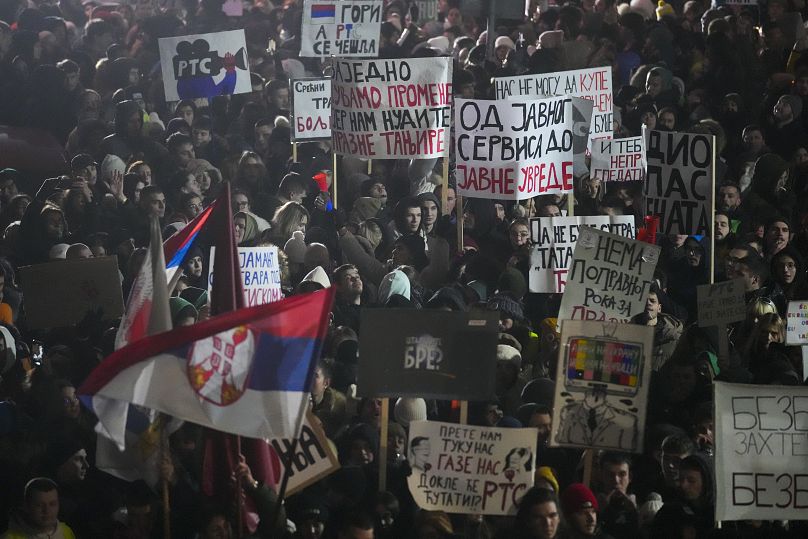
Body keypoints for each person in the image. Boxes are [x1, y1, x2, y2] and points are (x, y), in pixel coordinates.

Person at [2, 478, 76, 539]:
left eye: (52, 504)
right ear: (26, 507)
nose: (47, 510)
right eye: (39, 505)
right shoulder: (10, 537)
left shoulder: (66, 532)